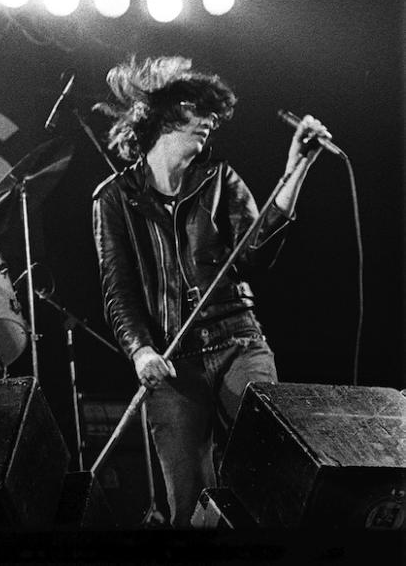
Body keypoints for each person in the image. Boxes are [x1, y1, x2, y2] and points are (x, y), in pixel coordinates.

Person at [90, 55, 330, 527]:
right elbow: (119, 291)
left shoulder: (219, 179)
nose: (209, 122)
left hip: (239, 341)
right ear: (159, 116)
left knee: (273, 466)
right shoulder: (113, 198)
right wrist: (139, 351)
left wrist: (296, 169)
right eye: (196, 110)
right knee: (187, 503)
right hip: (173, 363)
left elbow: (256, 254)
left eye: (212, 115)